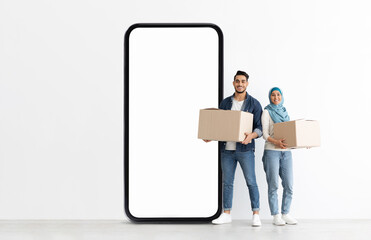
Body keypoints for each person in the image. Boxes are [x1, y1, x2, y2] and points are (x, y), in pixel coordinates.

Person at [204, 70, 263, 227]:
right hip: (227, 150)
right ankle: (226, 214)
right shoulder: (225, 103)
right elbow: (219, 125)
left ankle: (256, 214)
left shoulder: (254, 104)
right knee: (227, 182)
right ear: (233, 83)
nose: (240, 84)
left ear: (247, 84)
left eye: (243, 81)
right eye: (237, 81)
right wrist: (210, 135)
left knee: (251, 181)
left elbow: (260, 128)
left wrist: (251, 136)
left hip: (246, 150)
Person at [261, 87, 298, 226]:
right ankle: (276, 215)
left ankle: (285, 213)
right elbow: (265, 134)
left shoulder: (284, 111)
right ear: (269, 97)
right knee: (273, 185)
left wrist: (303, 142)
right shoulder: (266, 111)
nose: (276, 97)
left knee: (289, 185)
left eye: (278, 94)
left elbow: (290, 133)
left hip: (286, 152)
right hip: (272, 151)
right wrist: (276, 142)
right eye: (273, 95)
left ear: (282, 96)